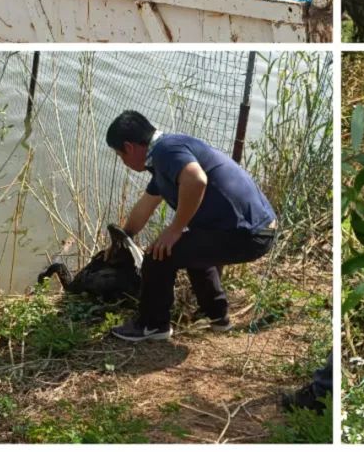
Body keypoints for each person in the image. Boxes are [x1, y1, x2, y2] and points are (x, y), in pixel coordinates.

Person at [105, 110, 278, 342]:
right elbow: (144, 207)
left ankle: (152, 325)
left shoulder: (167, 151)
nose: (122, 161)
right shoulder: (163, 159)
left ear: (130, 147)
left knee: (159, 255)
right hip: (257, 230)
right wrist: (122, 239)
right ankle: (218, 317)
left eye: (119, 154)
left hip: (248, 232)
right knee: (193, 251)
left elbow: (196, 179)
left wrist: (175, 229)